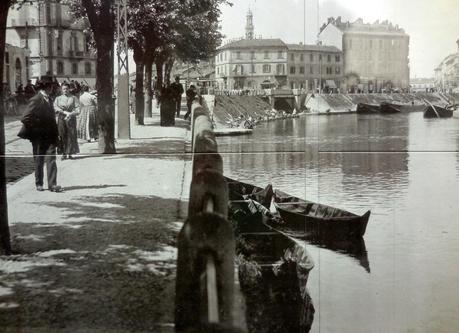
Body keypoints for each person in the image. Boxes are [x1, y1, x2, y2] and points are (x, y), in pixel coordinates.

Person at [17, 81, 63, 192]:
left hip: (51, 135)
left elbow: (52, 120)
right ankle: (39, 183)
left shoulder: (50, 99)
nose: (52, 89)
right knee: (39, 159)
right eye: (51, 87)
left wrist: (57, 135)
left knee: (51, 159)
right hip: (39, 136)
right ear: (46, 87)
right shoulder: (36, 100)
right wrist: (37, 128)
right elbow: (25, 118)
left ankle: (52, 185)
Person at [54, 83, 80, 159]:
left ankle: (70, 153)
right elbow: (55, 107)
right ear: (61, 90)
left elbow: (78, 108)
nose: (65, 90)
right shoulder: (58, 98)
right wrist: (64, 112)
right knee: (62, 135)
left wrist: (71, 113)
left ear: (69, 89)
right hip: (62, 118)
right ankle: (63, 153)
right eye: (63, 89)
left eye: (66, 89)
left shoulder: (73, 98)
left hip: (71, 118)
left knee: (71, 135)